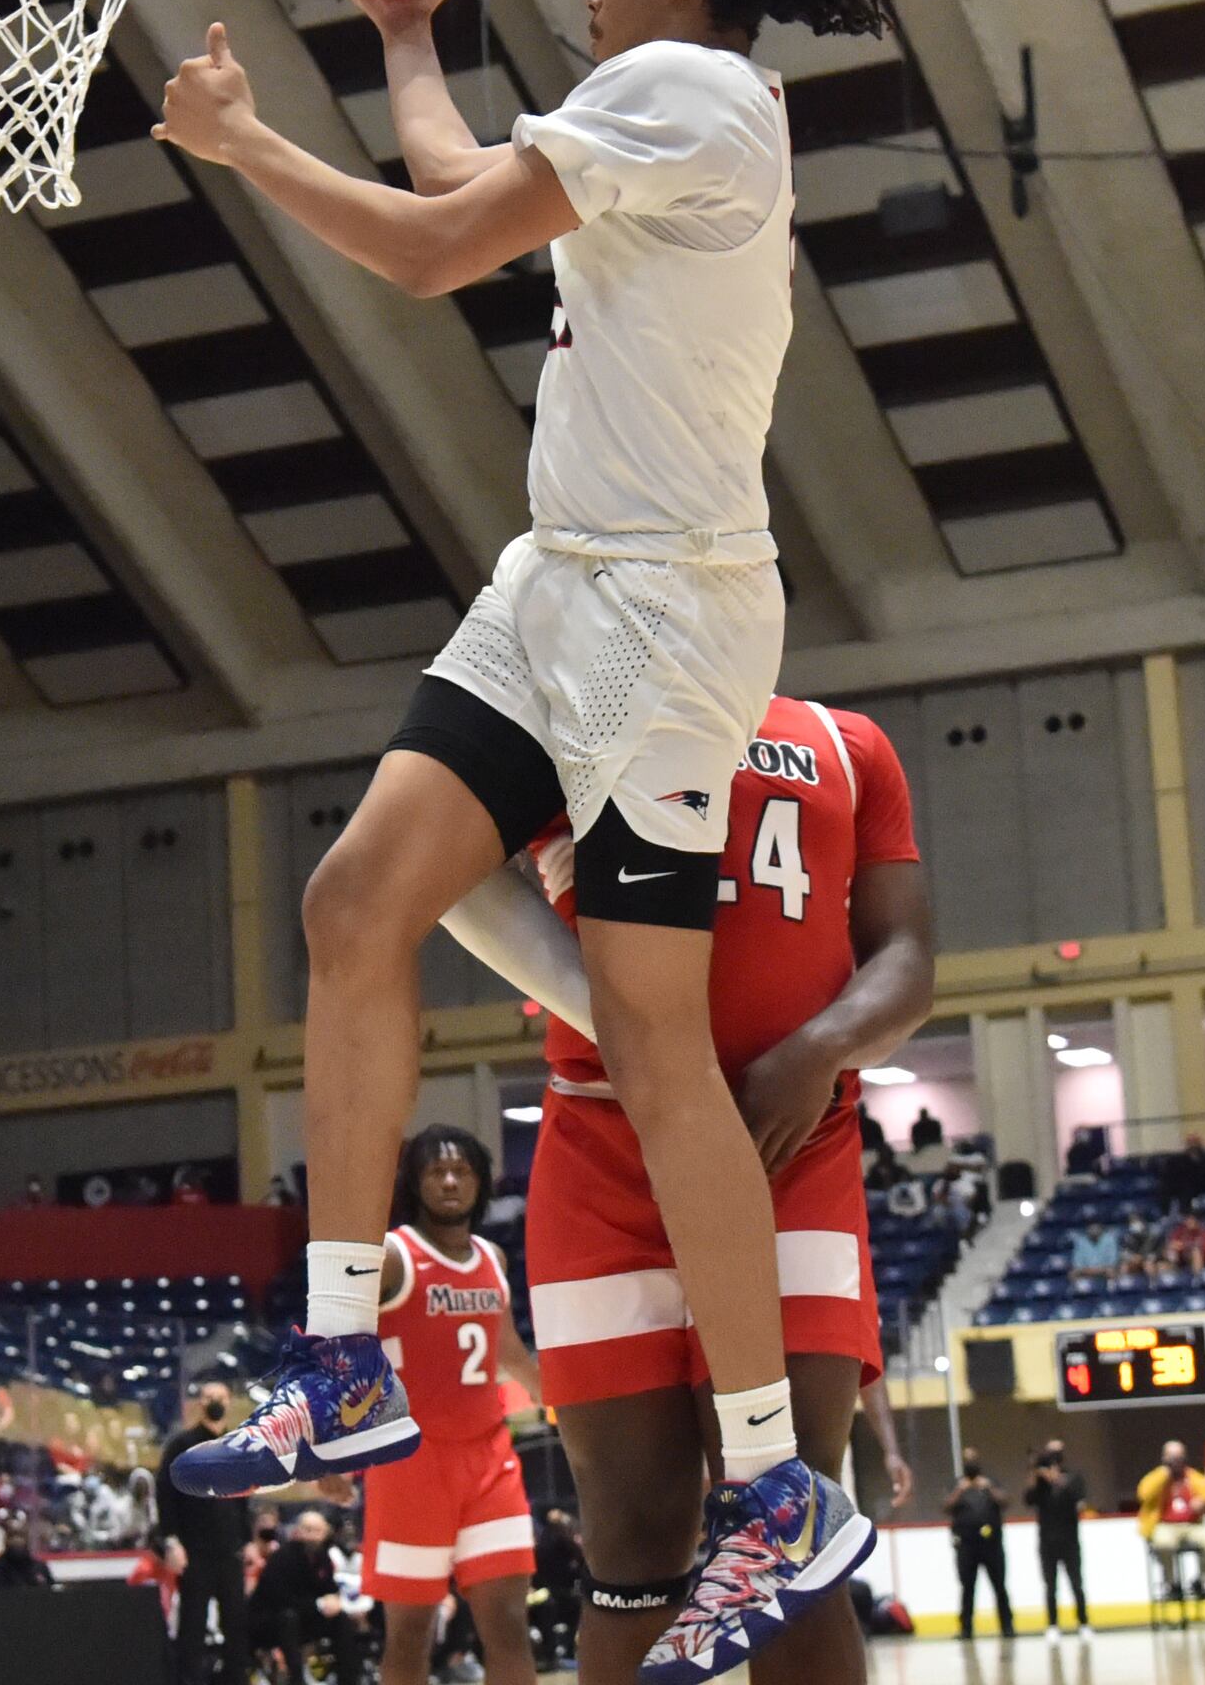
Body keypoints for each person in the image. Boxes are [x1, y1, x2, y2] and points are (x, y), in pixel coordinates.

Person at [154, 0, 903, 1683]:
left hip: (665, 618)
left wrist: (242, 140)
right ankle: (342, 1363)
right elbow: (458, 182)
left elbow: (424, 255)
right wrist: (407, 33)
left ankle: (780, 1491)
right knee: (357, 905)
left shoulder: (694, 92)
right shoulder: (648, 112)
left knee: (654, 1051)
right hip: (559, 583)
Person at [443, 693, 934, 1685]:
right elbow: (449, 872)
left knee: (787, 1530)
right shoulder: (569, 716)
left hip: (788, 1141)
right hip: (600, 1153)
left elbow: (909, 957)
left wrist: (822, 1048)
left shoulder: (849, 744)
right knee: (629, 1538)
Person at [351, 1129, 537, 1685]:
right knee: (410, 1634)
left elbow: (509, 1352)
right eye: (436, 1171)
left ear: (480, 1182)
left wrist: (570, 1403)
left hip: (490, 1460)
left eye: (462, 1171)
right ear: (415, 1181)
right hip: (411, 1464)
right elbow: (339, 1349)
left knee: (507, 1623)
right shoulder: (391, 1254)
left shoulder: (494, 1256)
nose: (450, 1180)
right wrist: (329, 1449)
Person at [157, 1384, 254, 1685]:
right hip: (194, 1549)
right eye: (210, 1399)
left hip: (230, 1551)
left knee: (236, 1625)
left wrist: (248, 1540)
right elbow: (165, 1495)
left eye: (222, 1398)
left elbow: (244, 1497)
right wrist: (171, 1541)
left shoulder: (238, 1443)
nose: (216, 1403)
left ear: (230, 1402)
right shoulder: (181, 1445)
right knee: (193, 1625)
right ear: (200, 1404)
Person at [245, 1509, 359, 1684]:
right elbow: (279, 1599)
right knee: (288, 1618)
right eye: (308, 1530)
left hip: (305, 1618)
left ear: (325, 1533)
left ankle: (349, 1680)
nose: (312, 1536)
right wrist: (318, 1604)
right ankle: (296, 1680)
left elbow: (329, 1589)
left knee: (341, 1619)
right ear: (297, 1531)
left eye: (317, 1531)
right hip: (270, 1621)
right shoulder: (282, 1557)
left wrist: (334, 1601)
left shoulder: (323, 1557)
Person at [1136, 1444, 1205, 1611]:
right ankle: (1171, 1583)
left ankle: (1202, 1579)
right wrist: (1165, 1474)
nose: (1176, 1462)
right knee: (1163, 1544)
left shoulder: (1191, 1476)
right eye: (1172, 1457)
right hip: (1165, 1525)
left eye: (1179, 1457)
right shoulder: (1157, 1477)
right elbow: (1143, 1493)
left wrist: (1202, 1501)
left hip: (1193, 1525)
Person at [1026, 1442, 1089, 1638]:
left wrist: (1058, 1480)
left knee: (1076, 1583)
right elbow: (1028, 1499)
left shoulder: (1073, 1478)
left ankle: (1083, 1623)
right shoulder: (1040, 1485)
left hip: (1070, 1539)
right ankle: (1052, 1624)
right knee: (1050, 1585)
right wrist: (1037, 1475)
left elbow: (1079, 1501)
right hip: (1047, 1541)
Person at [944, 1456, 1009, 1639]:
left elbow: (1005, 1501)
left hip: (992, 1544)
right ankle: (966, 1628)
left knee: (999, 1586)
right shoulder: (958, 1485)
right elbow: (946, 1506)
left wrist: (988, 1487)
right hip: (966, 1544)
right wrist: (960, 1490)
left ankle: (1007, 1626)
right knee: (967, 1588)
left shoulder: (989, 1484)